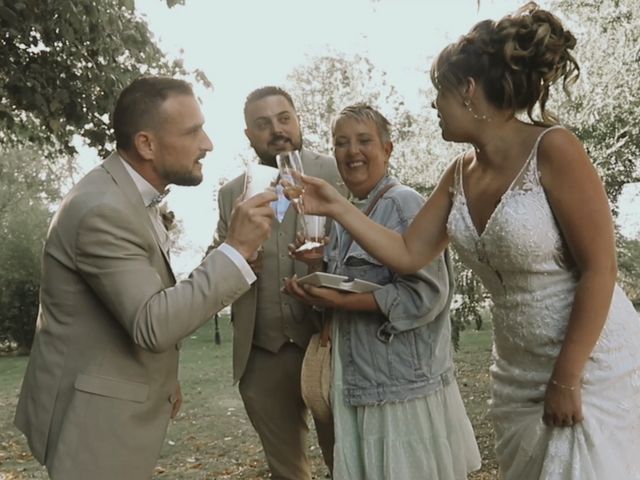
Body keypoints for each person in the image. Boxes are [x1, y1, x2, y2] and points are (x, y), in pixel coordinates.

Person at [292, 4, 640, 479]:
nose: (433, 105)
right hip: (517, 368)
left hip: (588, 362)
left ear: (468, 91)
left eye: (439, 93)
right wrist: (335, 205)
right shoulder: (458, 175)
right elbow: (409, 252)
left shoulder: (554, 149)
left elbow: (601, 269)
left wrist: (567, 375)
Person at [14, 76, 276, 480]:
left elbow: (141, 296)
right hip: (90, 424)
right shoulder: (102, 208)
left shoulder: (129, 194)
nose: (207, 143)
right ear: (146, 144)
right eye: (193, 132)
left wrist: (162, 380)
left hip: (113, 408)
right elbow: (152, 324)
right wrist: (235, 250)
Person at [284, 104, 481, 479]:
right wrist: (313, 271)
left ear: (388, 149)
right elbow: (338, 289)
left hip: (399, 393)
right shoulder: (345, 216)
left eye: (363, 141)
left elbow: (426, 296)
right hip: (358, 386)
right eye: (340, 143)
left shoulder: (403, 204)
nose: (351, 152)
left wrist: (342, 302)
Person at [209, 86, 345, 479]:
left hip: (327, 342)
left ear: (298, 120)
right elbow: (217, 261)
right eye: (263, 124)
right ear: (249, 135)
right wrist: (234, 258)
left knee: (348, 461)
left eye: (284, 118)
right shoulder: (232, 194)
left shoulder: (336, 172)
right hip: (262, 353)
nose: (277, 130)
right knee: (287, 472)